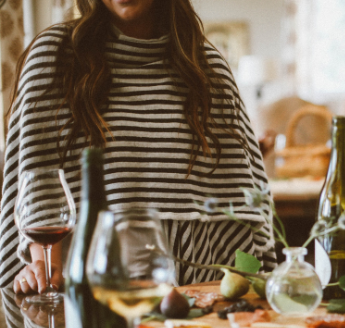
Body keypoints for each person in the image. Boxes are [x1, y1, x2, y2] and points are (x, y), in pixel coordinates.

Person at [3, 0, 277, 294]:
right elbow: (39, 175)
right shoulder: (56, 54)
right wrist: (45, 265)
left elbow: (243, 196)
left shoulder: (207, 66)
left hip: (197, 285)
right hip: (92, 286)